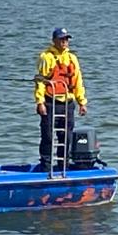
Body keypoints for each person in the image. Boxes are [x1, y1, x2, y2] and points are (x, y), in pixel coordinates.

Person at [35, 27, 87, 171]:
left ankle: (63, 166)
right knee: (47, 136)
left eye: (66, 39)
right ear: (54, 40)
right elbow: (40, 81)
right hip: (50, 102)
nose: (64, 42)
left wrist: (82, 102)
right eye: (61, 39)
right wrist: (40, 102)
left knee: (66, 137)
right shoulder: (46, 57)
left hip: (67, 103)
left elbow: (78, 81)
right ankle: (45, 167)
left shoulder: (72, 59)